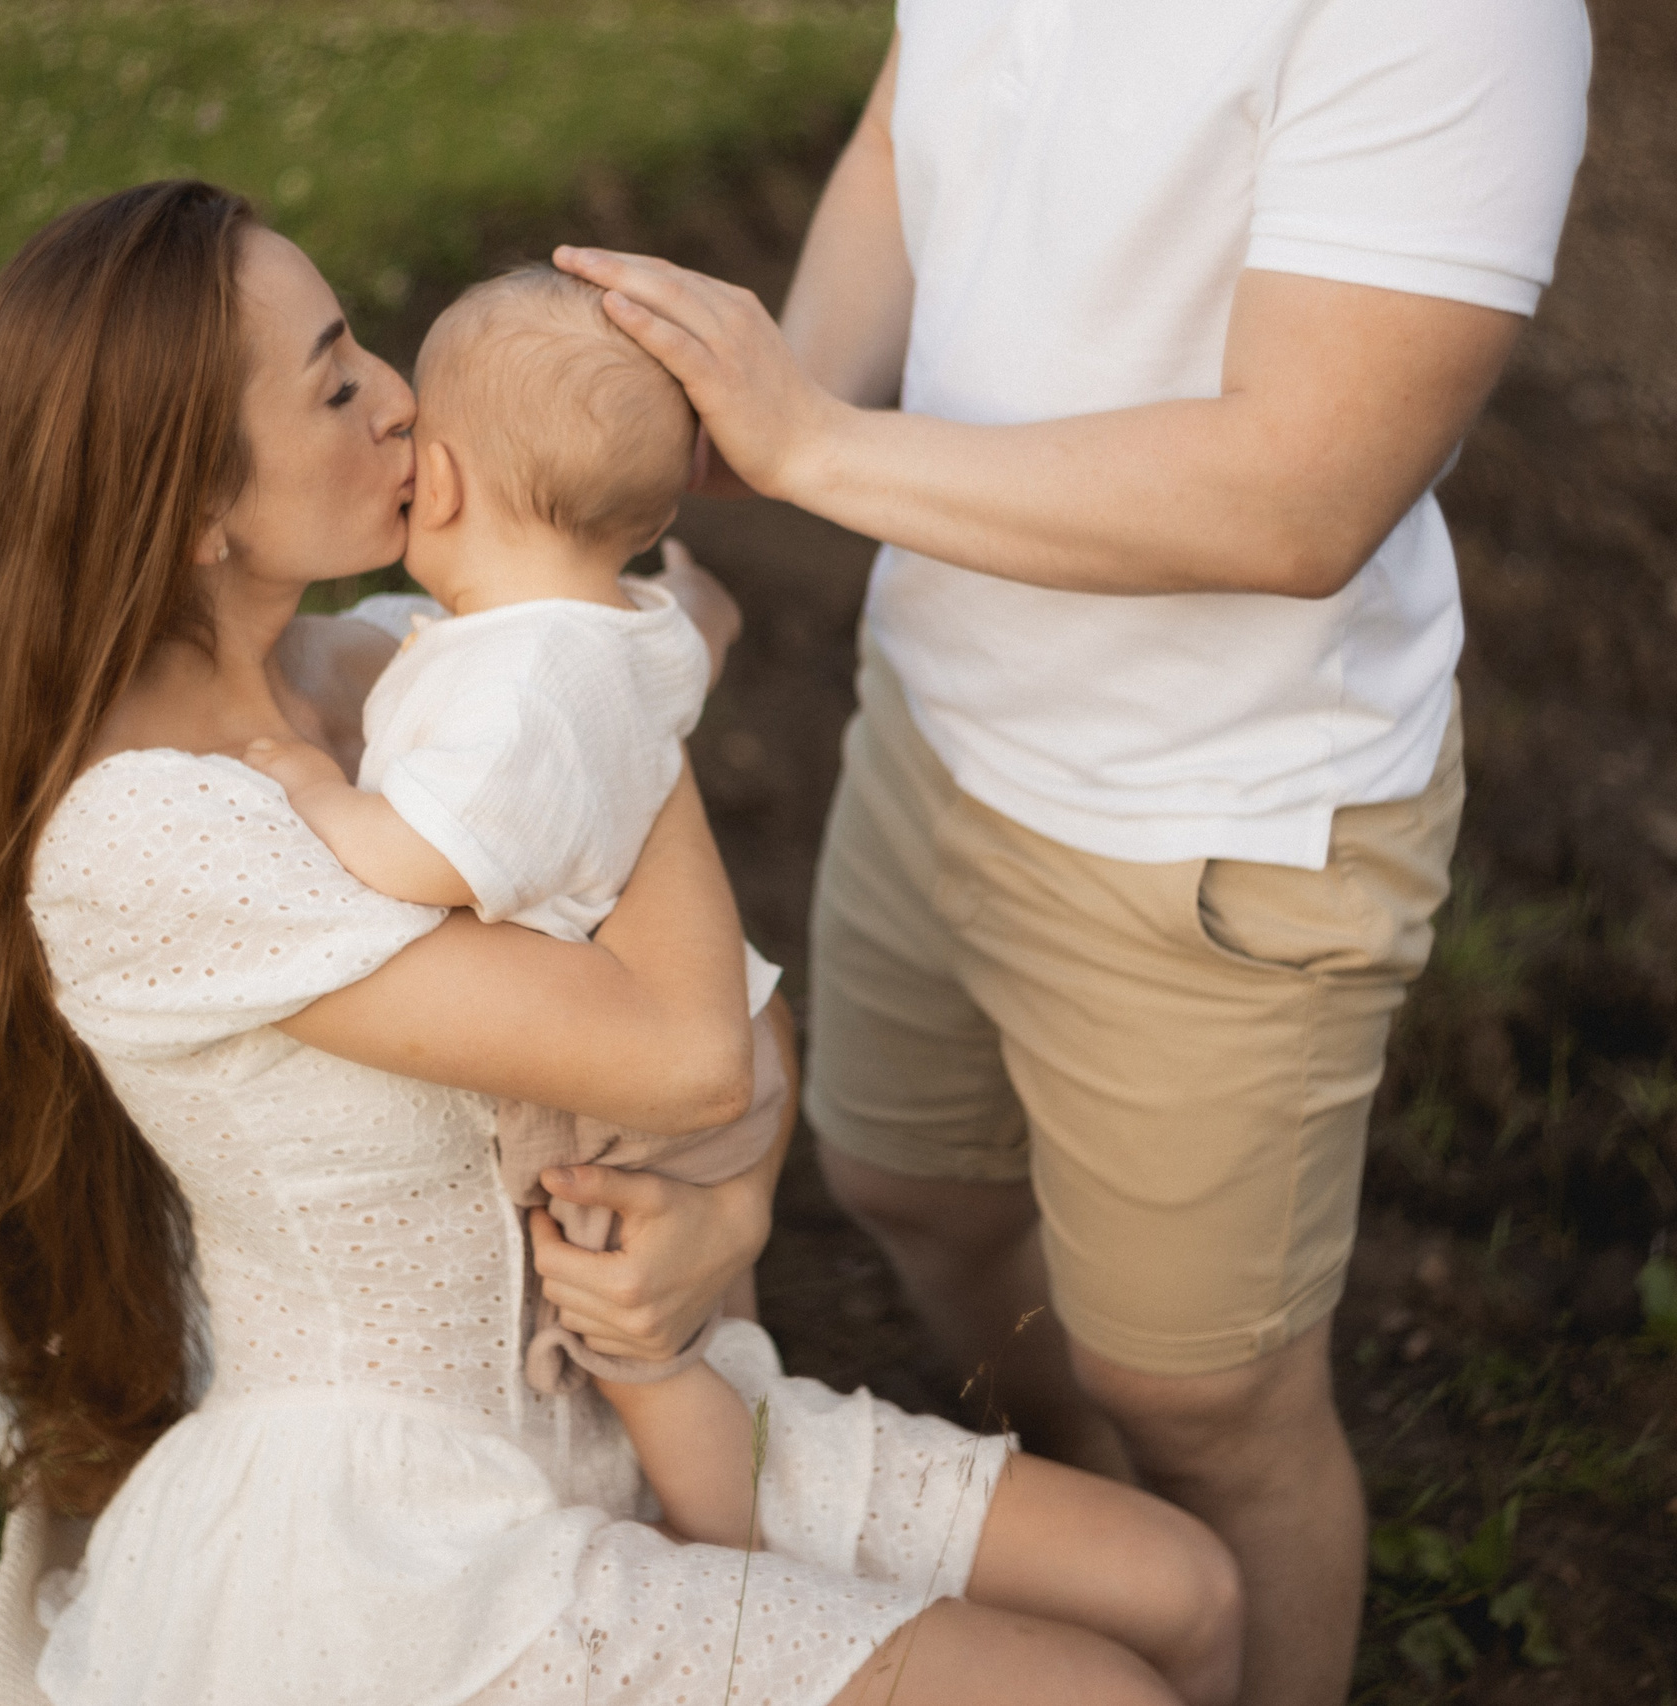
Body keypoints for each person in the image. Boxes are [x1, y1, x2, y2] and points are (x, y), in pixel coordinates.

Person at [0, 180, 1242, 1706]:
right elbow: (688, 1047)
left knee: (1184, 1598)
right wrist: (602, 650)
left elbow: (749, 1050)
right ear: (190, 511)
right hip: (398, 1534)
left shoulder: (395, 663)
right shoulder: (150, 840)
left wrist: (726, 1224)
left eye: (366, 353)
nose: (402, 402)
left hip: (645, 1385)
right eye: (334, 383)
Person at [553, 4, 1590, 1702]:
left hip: (1221, 813)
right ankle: (1112, 1569)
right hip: (944, 701)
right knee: (912, 1189)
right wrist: (769, 400)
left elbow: (1300, 494)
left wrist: (813, 442)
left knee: (1210, 1400)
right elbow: (925, 117)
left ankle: (1208, 1582)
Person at [239, 263, 793, 1548]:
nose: (387, 420)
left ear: (441, 479)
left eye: (408, 412)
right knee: (715, 1321)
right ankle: (749, 1410)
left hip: (639, 1099)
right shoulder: (608, 620)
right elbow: (694, 620)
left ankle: (743, 1562)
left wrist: (323, 797)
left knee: (646, 1359)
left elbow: (432, 854)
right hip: (738, 1026)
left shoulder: (520, 682)